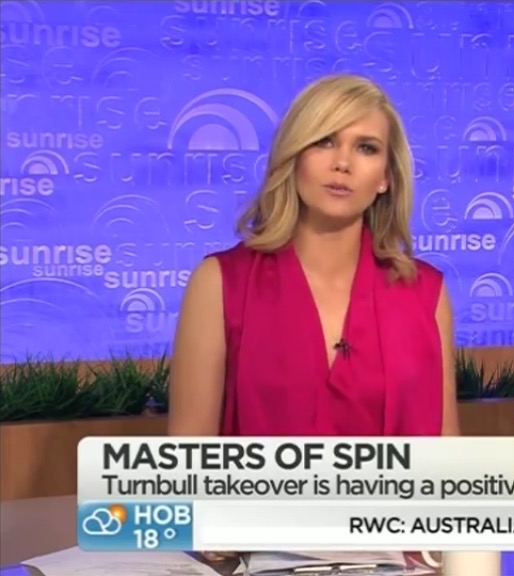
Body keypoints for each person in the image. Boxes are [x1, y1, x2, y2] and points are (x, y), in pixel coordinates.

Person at [167, 74, 460, 562]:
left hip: (396, 564)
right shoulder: (220, 283)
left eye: (366, 148)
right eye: (324, 141)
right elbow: (185, 467)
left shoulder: (425, 293)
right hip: (259, 563)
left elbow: (446, 456)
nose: (342, 162)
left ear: (385, 177)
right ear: (294, 155)